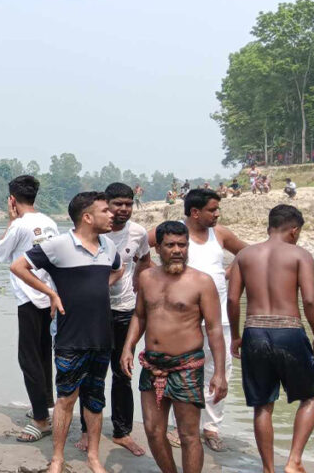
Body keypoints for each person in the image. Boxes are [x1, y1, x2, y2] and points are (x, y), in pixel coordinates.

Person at [10, 191, 121, 473]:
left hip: (101, 337)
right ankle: (57, 458)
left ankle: (93, 457)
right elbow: (18, 266)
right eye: (105, 211)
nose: (112, 215)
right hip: (70, 337)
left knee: (95, 399)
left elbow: (118, 270)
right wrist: (51, 293)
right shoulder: (58, 245)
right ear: (87, 217)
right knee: (66, 399)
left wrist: (98, 288)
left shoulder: (109, 246)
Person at [120, 220, 228, 473]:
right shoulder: (147, 277)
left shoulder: (202, 282)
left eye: (182, 244)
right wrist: (128, 347)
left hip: (186, 366)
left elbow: (214, 329)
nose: (177, 250)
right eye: (170, 245)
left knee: (188, 434)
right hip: (152, 364)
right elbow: (140, 315)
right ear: (158, 248)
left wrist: (220, 373)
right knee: (153, 430)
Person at [147, 188, 247, 451]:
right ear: (194, 212)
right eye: (212, 209)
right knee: (175, 371)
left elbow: (247, 253)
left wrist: (228, 272)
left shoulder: (220, 234)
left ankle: (211, 427)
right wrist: (153, 273)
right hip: (181, 318)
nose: (217, 214)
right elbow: (139, 247)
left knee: (218, 371)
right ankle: (176, 427)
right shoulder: (174, 233)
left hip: (218, 317)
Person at [227, 205, 314, 473]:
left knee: (262, 405)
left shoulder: (244, 255)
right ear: (294, 230)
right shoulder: (300, 254)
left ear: (270, 226)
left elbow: (232, 300)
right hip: (289, 330)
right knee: (310, 397)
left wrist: (236, 335)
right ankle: (294, 460)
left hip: (254, 331)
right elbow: (310, 300)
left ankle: (268, 468)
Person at [73, 183, 151, 457]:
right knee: (90, 372)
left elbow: (145, 259)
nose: (124, 209)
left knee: (123, 372)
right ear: (107, 205)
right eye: (118, 204)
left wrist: (140, 283)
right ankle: (86, 429)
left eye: (128, 204)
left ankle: (122, 432)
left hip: (125, 309)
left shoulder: (139, 233)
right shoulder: (92, 231)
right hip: (94, 311)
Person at [0, 175, 60, 442]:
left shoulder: (19, 226)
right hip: (50, 295)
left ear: (12, 199)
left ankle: (41, 420)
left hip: (30, 297)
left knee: (28, 358)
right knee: (44, 353)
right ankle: (46, 405)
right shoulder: (50, 223)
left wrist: (10, 221)